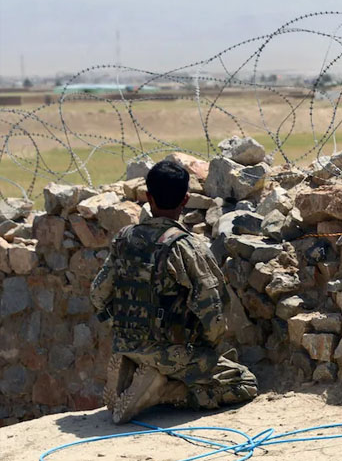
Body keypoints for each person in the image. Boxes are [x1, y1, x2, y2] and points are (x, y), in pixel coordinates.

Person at [91, 159, 257, 423]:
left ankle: (135, 369)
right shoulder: (187, 247)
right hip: (170, 352)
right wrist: (206, 349)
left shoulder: (124, 238)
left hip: (126, 343)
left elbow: (98, 294)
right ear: (185, 200)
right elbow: (213, 313)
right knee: (244, 382)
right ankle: (164, 391)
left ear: (149, 197)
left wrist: (121, 328)